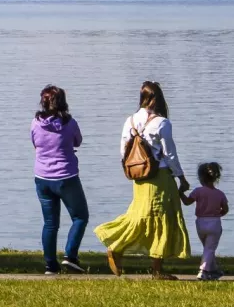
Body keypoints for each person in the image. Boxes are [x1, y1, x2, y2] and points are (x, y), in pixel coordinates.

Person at [95, 81, 192, 279]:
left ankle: (120, 248)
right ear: (157, 99)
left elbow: (123, 151)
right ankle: (154, 269)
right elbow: (170, 154)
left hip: (139, 178)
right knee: (161, 218)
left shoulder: (130, 121)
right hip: (160, 177)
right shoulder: (162, 123)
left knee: (139, 215)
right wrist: (181, 177)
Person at [30, 85, 90, 274]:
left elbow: (35, 143)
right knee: (80, 217)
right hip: (66, 177)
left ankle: (50, 265)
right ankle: (70, 256)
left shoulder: (35, 122)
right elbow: (78, 141)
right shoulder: (69, 123)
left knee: (50, 223)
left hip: (42, 178)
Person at [181, 162, 230, 281]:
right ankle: (203, 271)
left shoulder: (198, 191)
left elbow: (187, 202)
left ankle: (213, 271)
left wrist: (180, 193)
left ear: (201, 177)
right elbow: (225, 209)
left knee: (208, 248)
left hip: (200, 223)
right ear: (216, 177)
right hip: (214, 223)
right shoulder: (220, 194)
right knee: (210, 248)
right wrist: (219, 214)